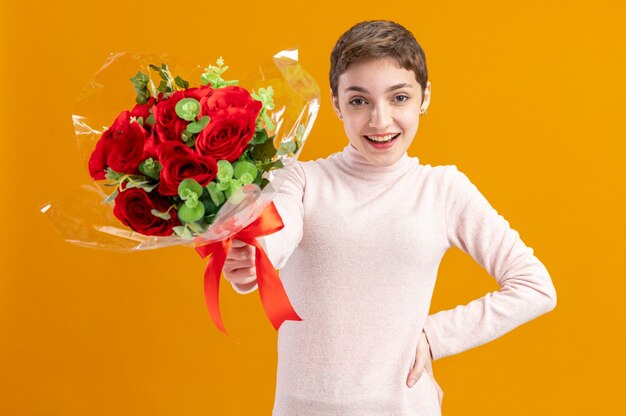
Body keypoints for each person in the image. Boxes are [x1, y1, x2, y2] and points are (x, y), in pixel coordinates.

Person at [223, 20, 557, 416]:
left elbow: (535, 287)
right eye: (359, 101)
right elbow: (280, 229)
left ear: (424, 98)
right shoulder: (302, 178)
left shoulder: (443, 189)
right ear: (336, 103)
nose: (380, 121)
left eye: (398, 98)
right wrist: (254, 255)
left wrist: (435, 336)